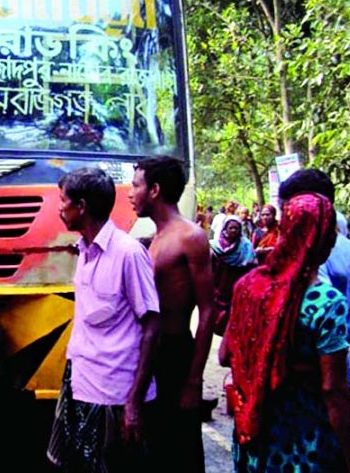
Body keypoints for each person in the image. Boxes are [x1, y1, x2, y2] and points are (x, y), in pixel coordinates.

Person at [220, 192, 350, 473]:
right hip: (304, 442)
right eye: (330, 233)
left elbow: (226, 355)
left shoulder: (249, 287)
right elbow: (334, 392)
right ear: (321, 240)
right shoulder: (326, 302)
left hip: (254, 437)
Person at [47, 168, 160, 472]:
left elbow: (151, 327)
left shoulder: (128, 254)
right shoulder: (84, 251)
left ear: (81, 206)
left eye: (63, 201)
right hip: (81, 382)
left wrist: (134, 402)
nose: (60, 209)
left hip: (114, 394)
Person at [129, 156, 214, 473]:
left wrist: (194, 380)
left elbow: (208, 311)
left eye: (136, 185)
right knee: (153, 446)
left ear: (154, 190)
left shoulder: (190, 237)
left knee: (180, 449)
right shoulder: (155, 239)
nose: (130, 193)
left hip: (175, 354)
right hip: (150, 352)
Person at [278, 169, 350, 344]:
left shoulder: (310, 253)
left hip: (309, 362)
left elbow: (320, 304)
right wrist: (345, 328)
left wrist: (344, 328)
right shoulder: (346, 246)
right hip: (336, 355)